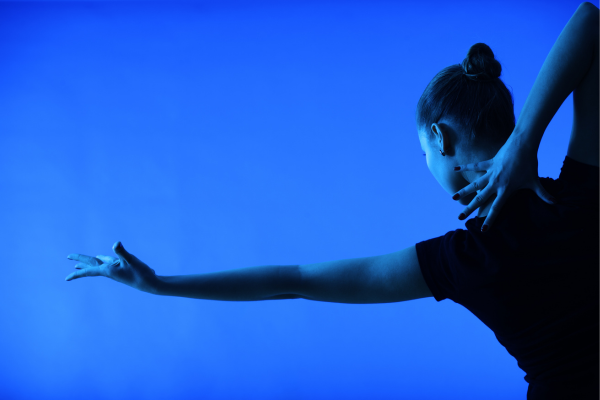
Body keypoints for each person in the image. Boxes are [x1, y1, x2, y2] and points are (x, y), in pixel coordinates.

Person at [65, 2, 599, 399]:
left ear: (440, 139)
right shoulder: (583, 189)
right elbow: (590, 23)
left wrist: (158, 286)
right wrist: (526, 141)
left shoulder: (459, 262)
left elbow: (291, 279)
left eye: (422, 153)